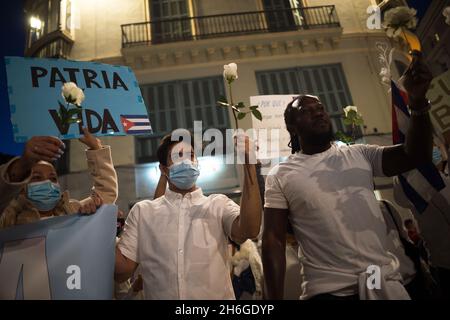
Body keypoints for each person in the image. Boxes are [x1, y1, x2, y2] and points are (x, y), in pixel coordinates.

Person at [262, 50, 433, 300]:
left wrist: (417, 101)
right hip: (326, 290)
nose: (318, 112)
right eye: (307, 111)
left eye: (320, 108)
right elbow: (274, 240)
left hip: (381, 279)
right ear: (292, 126)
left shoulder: (360, 154)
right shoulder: (281, 175)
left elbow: (415, 155)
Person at [114, 130, 262, 299]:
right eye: (177, 156)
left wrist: (249, 165)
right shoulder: (143, 212)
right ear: (164, 169)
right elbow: (121, 273)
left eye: (190, 155)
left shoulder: (218, 204)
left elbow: (249, 230)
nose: (185, 160)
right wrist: (103, 224)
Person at [0, 128, 118, 228]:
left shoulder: (72, 210)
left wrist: (96, 149)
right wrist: (22, 164)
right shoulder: (9, 218)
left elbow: (105, 194)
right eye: (36, 178)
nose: (47, 183)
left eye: (53, 178)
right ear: (21, 187)